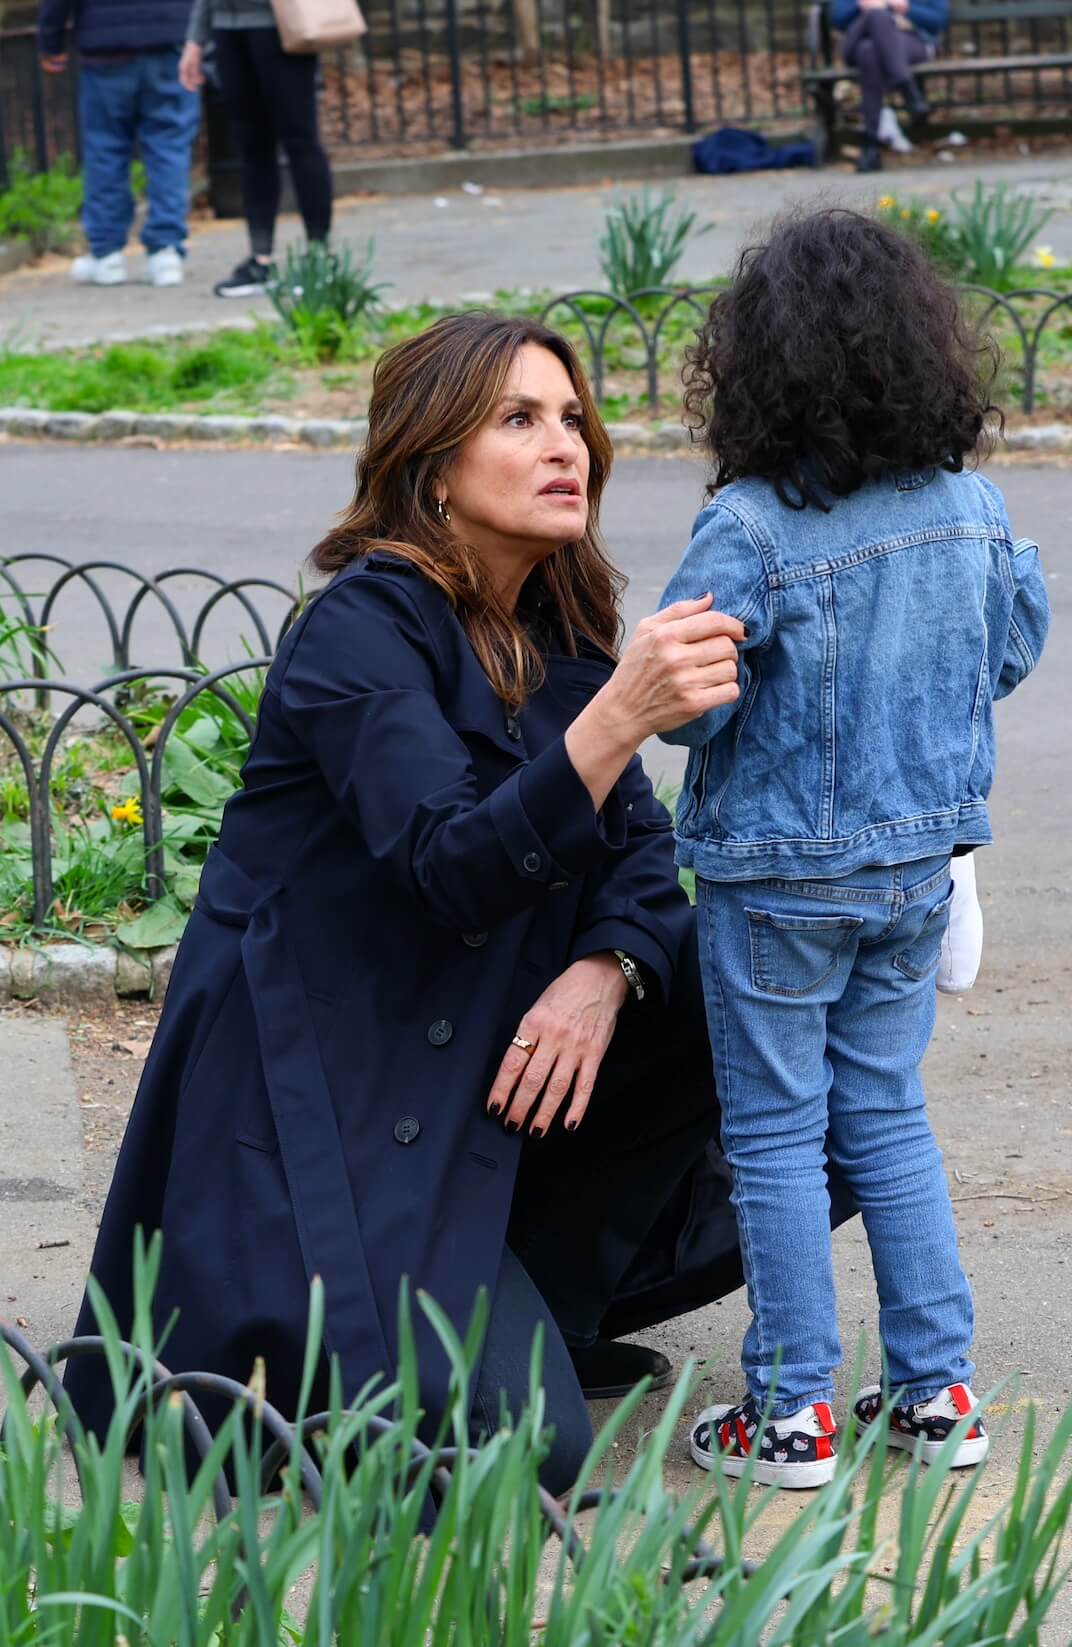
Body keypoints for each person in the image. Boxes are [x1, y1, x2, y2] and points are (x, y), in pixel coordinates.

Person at [62, 312, 859, 1492]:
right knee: (508, 1456)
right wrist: (617, 720)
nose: (566, 445)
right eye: (520, 419)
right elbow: (448, 863)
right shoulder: (358, 634)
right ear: (433, 464)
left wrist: (607, 973)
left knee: (740, 981)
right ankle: (469, 1297)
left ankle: (544, 1281)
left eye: (573, 418)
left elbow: (641, 857)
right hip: (334, 1089)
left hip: (473, 1058)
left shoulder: (556, 628)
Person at [658, 209, 1050, 1490]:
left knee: (773, 1136)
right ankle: (937, 1394)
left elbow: (688, 688)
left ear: (755, 368)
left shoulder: (753, 526)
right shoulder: (973, 507)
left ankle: (789, 1415)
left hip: (775, 879)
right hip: (915, 869)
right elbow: (1012, 647)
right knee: (887, 1111)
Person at [37, 0, 199, 287]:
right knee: (169, 148)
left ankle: (106, 254)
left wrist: (51, 41)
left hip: (106, 46)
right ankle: (166, 251)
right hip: (170, 38)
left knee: (105, 149)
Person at [179, 0, 333, 298]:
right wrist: (195, 40)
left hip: (283, 24)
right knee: (252, 149)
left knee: (301, 141)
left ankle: (319, 257)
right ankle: (260, 260)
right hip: (227, 28)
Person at [831, 0, 949, 173]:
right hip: (858, 38)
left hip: (910, 41)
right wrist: (861, 5)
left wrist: (904, 7)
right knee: (876, 16)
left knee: (870, 53)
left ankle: (869, 147)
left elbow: (938, 20)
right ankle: (906, 87)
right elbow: (837, 18)